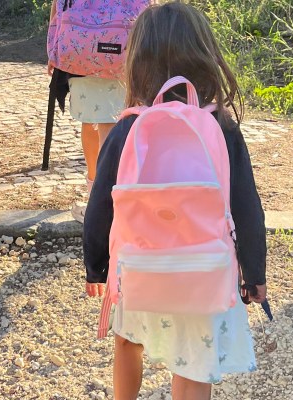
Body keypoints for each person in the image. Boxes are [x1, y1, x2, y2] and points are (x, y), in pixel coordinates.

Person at [82, 2, 268, 399]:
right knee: (194, 364)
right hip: (202, 274)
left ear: (137, 64)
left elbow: (101, 204)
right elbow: (246, 207)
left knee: (127, 341)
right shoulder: (221, 128)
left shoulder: (128, 128)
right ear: (206, 57)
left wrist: (96, 268)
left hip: (139, 268)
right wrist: (254, 275)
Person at [48, 0, 129, 223]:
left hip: (80, 47)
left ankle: (99, 200)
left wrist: (54, 47)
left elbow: (58, 5)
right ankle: (105, 199)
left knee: (95, 122)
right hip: (122, 48)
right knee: (107, 123)